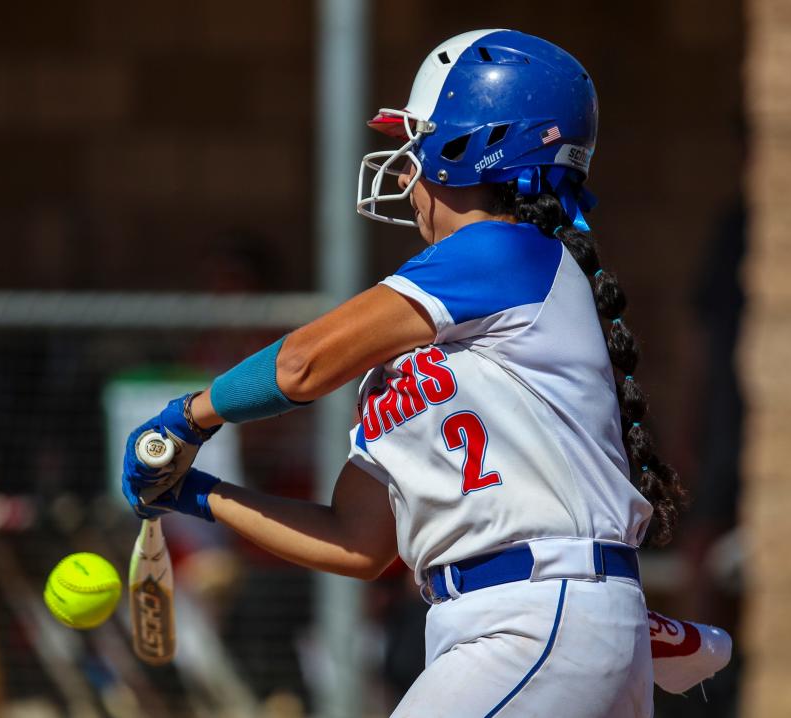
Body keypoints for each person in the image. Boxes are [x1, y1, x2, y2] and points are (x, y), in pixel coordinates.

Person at [122, 30, 718, 717]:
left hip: (532, 619)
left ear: (472, 146)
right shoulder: (427, 355)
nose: (404, 171)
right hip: (510, 626)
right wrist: (194, 494)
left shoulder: (503, 250)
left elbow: (300, 364)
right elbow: (358, 542)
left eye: (420, 142)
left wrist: (188, 418)